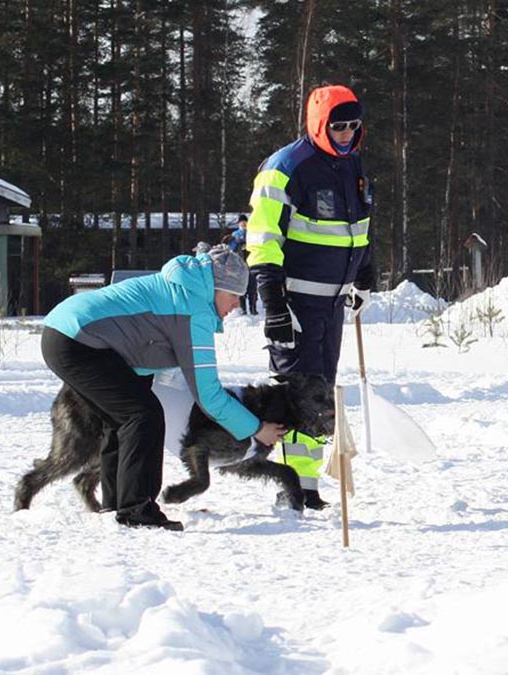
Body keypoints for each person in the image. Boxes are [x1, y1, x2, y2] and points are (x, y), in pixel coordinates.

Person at [41, 245, 287, 530]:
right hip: (76, 340)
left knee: (122, 417)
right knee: (143, 415)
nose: (235, 306)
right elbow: (209, 395)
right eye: (233, 296)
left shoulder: (183, 290)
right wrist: (256, 428)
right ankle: (137, 510)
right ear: (216, 287)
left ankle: (118, 503)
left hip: (69, 333)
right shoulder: (193, 308)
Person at [245, 84, 374, 510]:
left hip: (333, 301)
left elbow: (360, 225)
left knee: (322, 396)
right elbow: (263, 238)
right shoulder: (286, 167)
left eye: (354, 126)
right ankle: (288, 488)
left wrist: (363, 276)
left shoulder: (351, 163)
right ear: (319, 125)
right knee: (296, 392)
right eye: (338, 126)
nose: (347, 134)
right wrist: (273, 302)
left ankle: (308, 485)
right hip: (296, 301)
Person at [222, 214, 257, 315]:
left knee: (252, 287)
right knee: (242, 287)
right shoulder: (235, 234)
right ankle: (243, 309)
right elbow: (231, 248)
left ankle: (253, 308)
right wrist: (238, 244)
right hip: (240, 264)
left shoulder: (252, 233)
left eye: (245, 222)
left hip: (251, 263)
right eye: (241, 222)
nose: (243, 224)